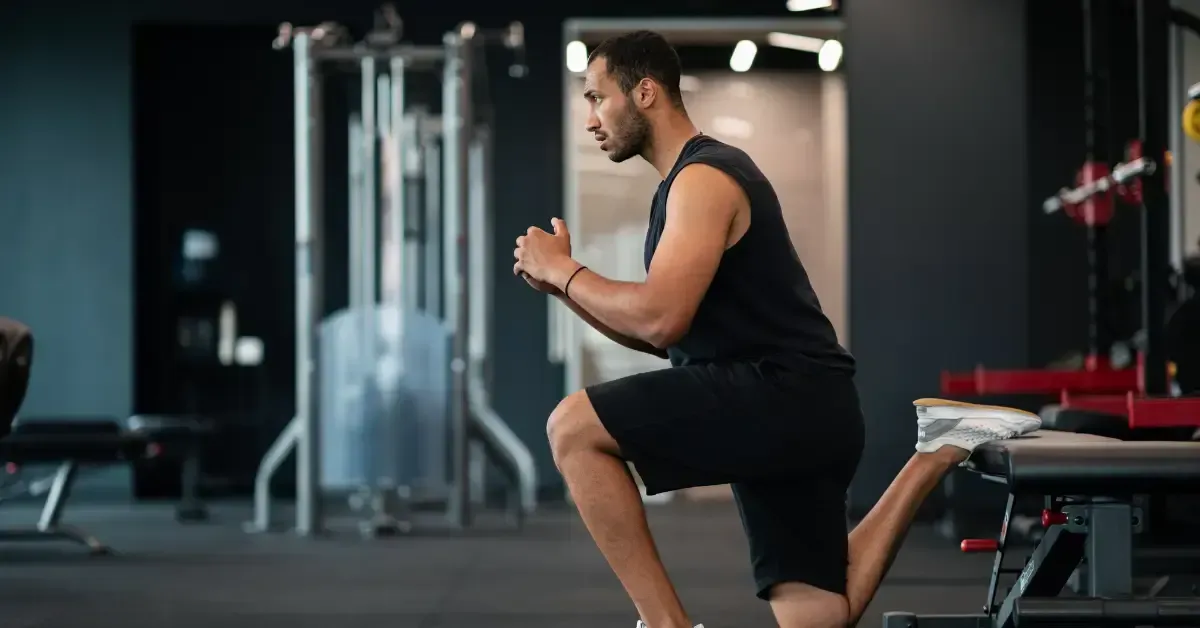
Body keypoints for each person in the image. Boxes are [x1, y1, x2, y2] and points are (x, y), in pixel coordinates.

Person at [512, 31, 1041, 628]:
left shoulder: (703, 180)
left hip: (778, 394)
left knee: (572, 428)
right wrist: (562, 284)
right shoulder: (685, 184)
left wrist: (565, 269)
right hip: (806, 404)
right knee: (817, 617)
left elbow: (660, 316)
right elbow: (658, 335)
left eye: (596, 98)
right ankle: (935, 453)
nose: (590, 119)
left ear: (645, 92)